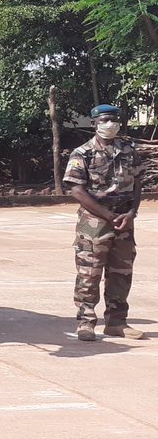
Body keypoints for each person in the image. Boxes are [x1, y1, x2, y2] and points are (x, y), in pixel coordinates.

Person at [63, 104, 145, 341]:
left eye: (114, 120)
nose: (110, 124)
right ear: (94, 124)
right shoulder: (83, 153)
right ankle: (86, 322)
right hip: (94, 222)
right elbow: (77, 190)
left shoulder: (128, 151)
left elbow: (137, 183)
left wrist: (132, 212)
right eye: (105, 120)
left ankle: (117, 322)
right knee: (89, 273)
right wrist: (107, 215)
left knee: (121, 272)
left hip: (124, 221)